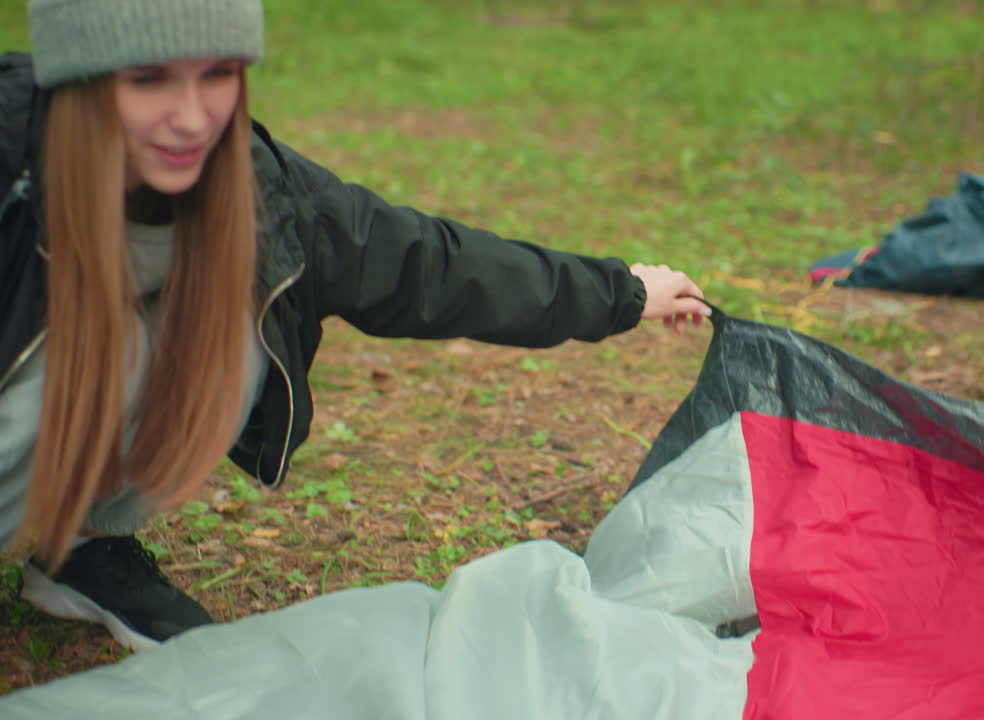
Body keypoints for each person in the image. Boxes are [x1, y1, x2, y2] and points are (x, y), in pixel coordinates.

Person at [0, 0, 708, 652]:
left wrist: (623, 293)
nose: (191, 118)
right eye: (148, 80)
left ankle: (87, 545)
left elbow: (428, 267)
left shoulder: (257, 189)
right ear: (80, 81)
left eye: (217, 75)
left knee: (231, 326)